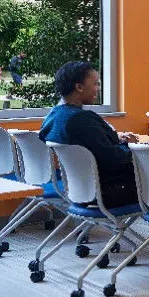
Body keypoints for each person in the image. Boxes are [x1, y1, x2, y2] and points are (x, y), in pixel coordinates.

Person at [39, 61, 141, 209]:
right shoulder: (82, 119)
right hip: (109, 191)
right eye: (95, 84)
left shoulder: (53, 117)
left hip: (78, 189)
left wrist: (111, 139)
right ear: (79, 87)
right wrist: (129, 146)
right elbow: (114, 159)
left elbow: (88, 144)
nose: (98, 89)